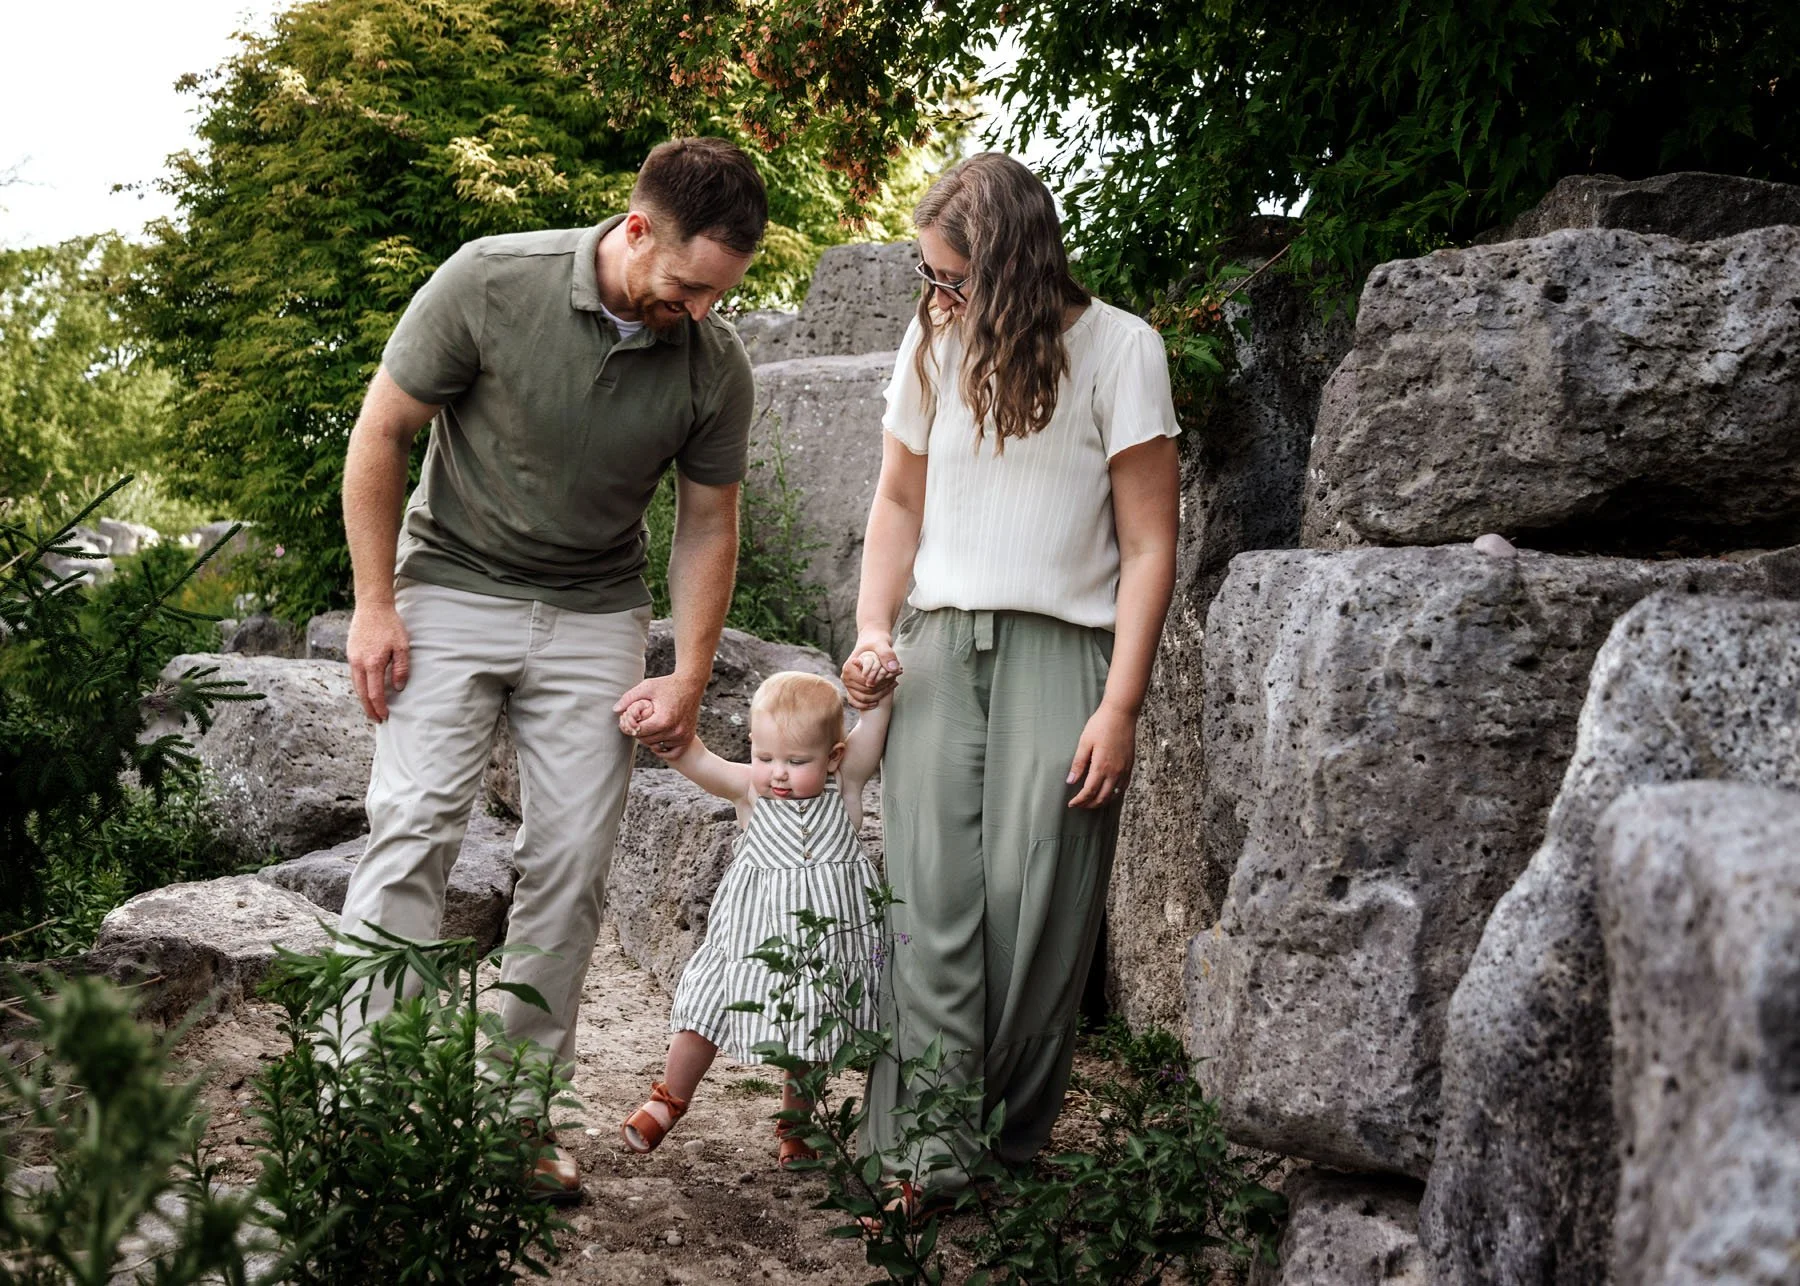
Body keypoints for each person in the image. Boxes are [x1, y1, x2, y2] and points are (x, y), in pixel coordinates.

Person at [336, 136, 767, 1202]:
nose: (700, 310)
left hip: (593, 614)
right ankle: (359, 1103)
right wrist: (375, 602)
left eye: (720, 293)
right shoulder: (491, 279)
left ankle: (511, 1117)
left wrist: (686, 674)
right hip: (449, 585)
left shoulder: (713, 363)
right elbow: (383, 430)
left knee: (570, 865)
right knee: (414, 827)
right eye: (685, 285)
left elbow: (708, 523)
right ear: (634, 231)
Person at [841, 153, 1181, 1210]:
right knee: (931, 896)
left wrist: (1120, 705)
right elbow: (899, 501)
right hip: (938, 643)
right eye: (930, 279)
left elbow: (1151, 543)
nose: (938, 298)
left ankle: (1006, 1144)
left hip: (1065, 655)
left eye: (955, 279)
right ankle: (921, 1150)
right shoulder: (931, 340)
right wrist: (870, 625)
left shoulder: (1124, 350)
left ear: (1016, 267)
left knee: (1038, 909)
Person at [617, 668, 890, 1168]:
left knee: (813, 1028)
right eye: (765, 757)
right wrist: (660, 729)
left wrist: (878, 687)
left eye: (796, 760)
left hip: (824, 950)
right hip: (749, 942)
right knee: (706, 1008)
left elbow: (874, 726)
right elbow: (693, 756)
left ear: (833, 757)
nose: (778, 773)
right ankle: (669, 1099)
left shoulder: (845, 787)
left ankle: (797, 1128)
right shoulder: (751, 791)